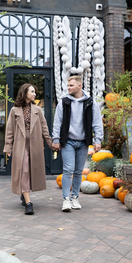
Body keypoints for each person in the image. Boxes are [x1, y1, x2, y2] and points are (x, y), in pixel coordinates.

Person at [51, 75, 103, 212]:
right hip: (67, 141)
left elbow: (97, 122)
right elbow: (57, 122)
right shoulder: (64, 102)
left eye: (71, 86)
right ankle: (66, 200)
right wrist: (55, 139)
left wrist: (98, 140)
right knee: (68, 170)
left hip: (83, 143)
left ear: (79, 86)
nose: (68, 88)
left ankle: (75, 197)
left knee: (79, 172)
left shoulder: (90, 103)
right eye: (68, 86)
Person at [4, 83, 51, 215]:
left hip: (35, 144)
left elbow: (44, 127)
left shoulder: (38, 110)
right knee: (24, 170)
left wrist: (50, 142)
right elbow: (9, 130)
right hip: (21, 144)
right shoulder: (14, 110)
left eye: (35, 92)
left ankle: (24, 195)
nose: (34, 94)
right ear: (25, 93)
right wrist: (8, 147)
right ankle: (29, 203)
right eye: (32, 91)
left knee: (31, 170)